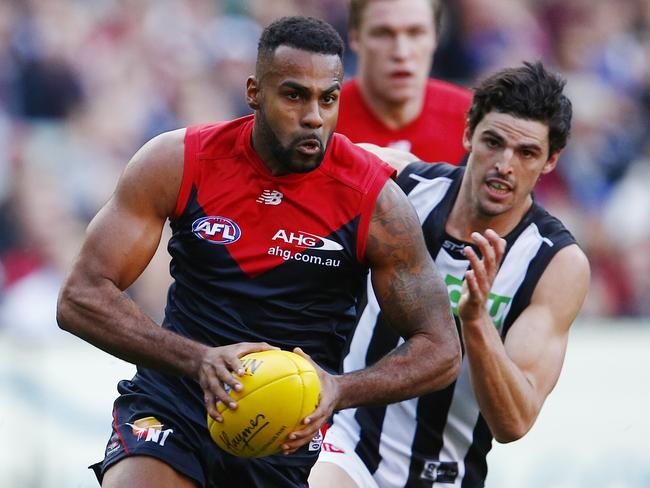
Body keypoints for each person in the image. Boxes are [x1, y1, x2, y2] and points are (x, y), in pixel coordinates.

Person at [55, 16, 462, 488]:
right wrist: (198, 360)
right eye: (294, 95)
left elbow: (440, 349)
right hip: (175, 400)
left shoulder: (376, 202)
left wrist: (340, 389)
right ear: (254, 92)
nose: (313, 116)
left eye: (327, 99)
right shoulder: (179, 160)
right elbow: (80, 298)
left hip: (285, 429)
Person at [310, 61, 590, 487]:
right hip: (347, 445)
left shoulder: (556, 264)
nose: (504, 165)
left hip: (446, 473)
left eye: (526, 153)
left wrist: (476, 320)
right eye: (493, 142)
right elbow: (303, 146)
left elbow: (513, 422)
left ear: (550, 161)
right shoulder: (401, 187)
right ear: (467, 135)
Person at [336, 0, 472, 164]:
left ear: (435, 37)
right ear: (355, 38)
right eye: (383, 33)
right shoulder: (319, 121)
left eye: (416, 33)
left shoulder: (472, 119)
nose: (401, 52)